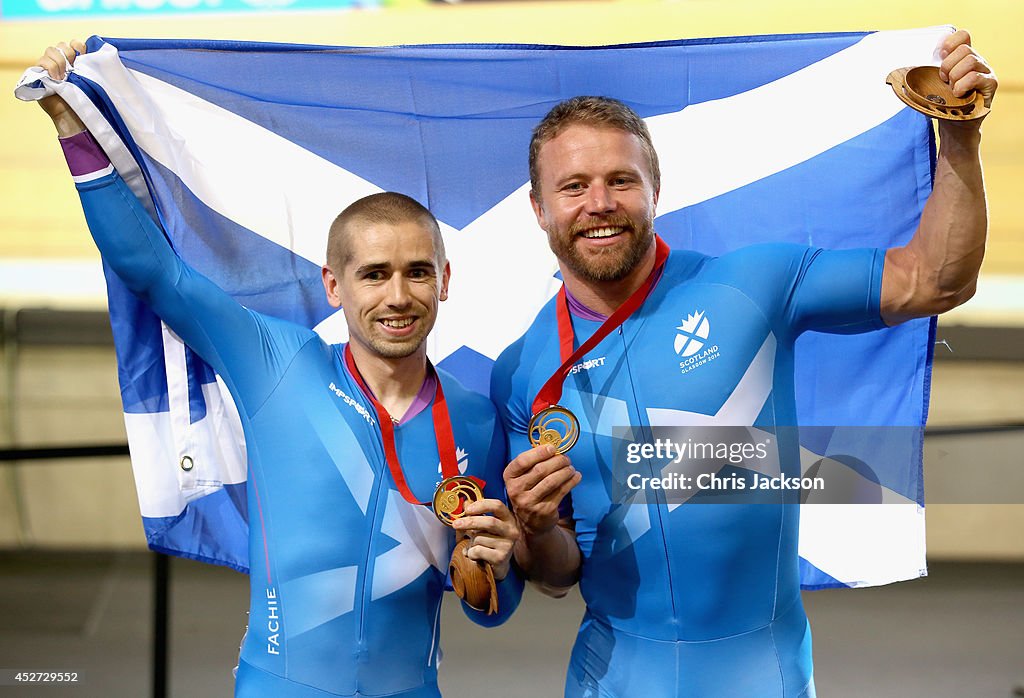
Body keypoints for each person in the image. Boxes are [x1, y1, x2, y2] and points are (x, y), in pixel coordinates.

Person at [492, 30, 996, 697]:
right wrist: (532, 528)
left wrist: (961, 137)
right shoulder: (522, 370)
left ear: (655, 190)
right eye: (573, 186)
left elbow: (935, 279)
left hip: (763, 675)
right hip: (612, 679)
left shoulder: (753, 284)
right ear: (539, 209)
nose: (600, 204)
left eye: (621, 181)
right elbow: (557, 576)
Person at [32, 41, 523, 698]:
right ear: (334, 285)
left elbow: (487, 605)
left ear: (445, 281)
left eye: (417, 273)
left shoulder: (474, 417)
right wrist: (73, 125)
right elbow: (156, 272)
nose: (399, 296)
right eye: (374, 275)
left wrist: (496, 569)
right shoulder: (278, 365)